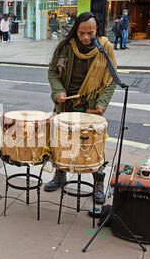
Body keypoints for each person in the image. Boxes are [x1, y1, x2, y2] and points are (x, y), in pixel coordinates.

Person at [46, 12, 118, 205]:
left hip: (91, 106)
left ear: (97, 30)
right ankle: (60, 175)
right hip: (67, 103)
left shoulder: (105, 48)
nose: (86, 37)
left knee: (93, 146)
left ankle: (98, 184)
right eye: (82, 33)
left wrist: (102, 104)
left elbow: (112, 81)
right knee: (62, 143)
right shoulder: (65, 47)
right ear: (75, 30)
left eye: (90, 33)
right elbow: (52, 71)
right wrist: (58, 91)